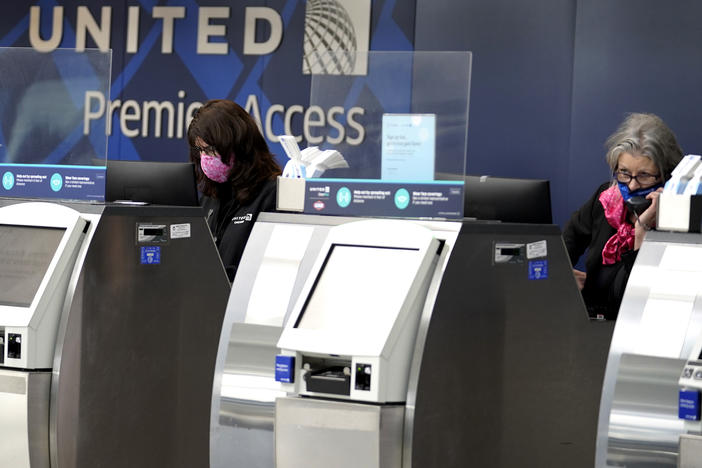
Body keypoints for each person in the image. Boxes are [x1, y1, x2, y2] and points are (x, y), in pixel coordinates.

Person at [563, 113, 683, 320]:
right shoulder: (606, 199)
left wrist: (642, 230)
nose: (632, 185)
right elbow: (563, 247)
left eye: (644, 175)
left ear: (666, 174)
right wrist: (562, 276)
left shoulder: (677, 219)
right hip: (592, 324)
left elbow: (641, 299)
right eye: (624, 173)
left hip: (638, 328)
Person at [187, 99, 281, 282]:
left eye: (211, 149)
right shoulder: (210, 197)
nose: (205, 158)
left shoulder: (272, 195)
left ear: (239, 145)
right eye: (200, 150)